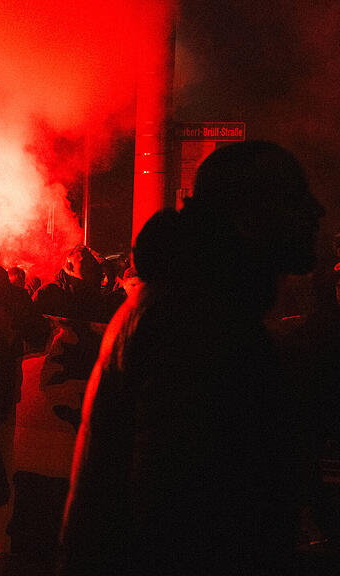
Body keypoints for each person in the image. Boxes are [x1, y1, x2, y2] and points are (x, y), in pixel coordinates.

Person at [60, 141, 326, 575]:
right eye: (294, 197)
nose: (316, 211)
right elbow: (176, 509)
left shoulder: (188, 301)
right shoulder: (195, 318)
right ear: (248, 215)